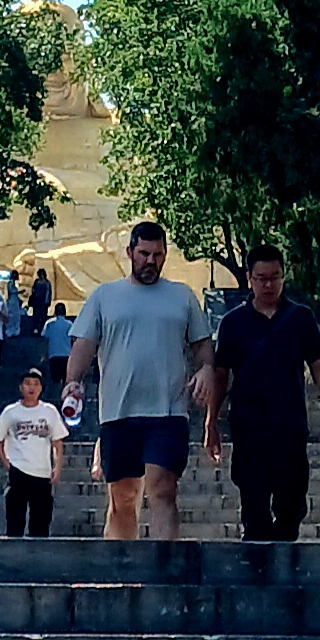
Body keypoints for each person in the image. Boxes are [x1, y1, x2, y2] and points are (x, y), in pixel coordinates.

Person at [63, 221, 213, 545]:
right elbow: (84, 344)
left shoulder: (182, 296)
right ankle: (122, 565)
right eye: (144, 254)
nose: (150, 261)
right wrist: (73, 381)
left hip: (168, 412)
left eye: (157, 255)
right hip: (119, 412)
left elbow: (202, 344)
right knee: (123, 497)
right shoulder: (105, 296)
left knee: (163, 489)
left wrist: (206, 369)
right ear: (130, 252)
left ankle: (163, 565)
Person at [204, 242, 320, 545]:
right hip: (249, 428)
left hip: (290, 426)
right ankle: (257, 563)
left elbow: (318, 366)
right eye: (262, 278)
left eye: (275, 277)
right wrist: (211, 421)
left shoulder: (300, 318)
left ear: (283, 276)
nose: (268, 284)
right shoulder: (233, 323)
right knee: (254, 507)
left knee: (292, 504)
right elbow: (220, 375)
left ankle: (284, 557)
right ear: (250, 279)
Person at [0, 362, 68, 536]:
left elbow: (57, 442)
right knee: (15, 522)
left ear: (41, 388)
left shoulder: (50, 411)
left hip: (42, 473)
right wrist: (7, 463)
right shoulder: (10, 412)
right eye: (27, 383)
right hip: (18, 471)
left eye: (35, 384)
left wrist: (57, 467)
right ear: (21, 387)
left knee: (41, 523)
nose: (31, 388)